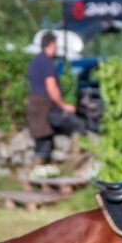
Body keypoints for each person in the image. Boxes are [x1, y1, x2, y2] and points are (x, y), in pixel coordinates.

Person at [26, 31, 86, 164]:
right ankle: (75, 166)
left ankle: (38, 179)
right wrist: (64, 106)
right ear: (52, 44)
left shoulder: (35, 61)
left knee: (43, 142)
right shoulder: (47, 61)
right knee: (77, 126)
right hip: (45, 106)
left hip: (34, 105)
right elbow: (51, 88)